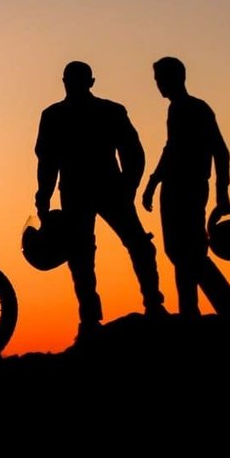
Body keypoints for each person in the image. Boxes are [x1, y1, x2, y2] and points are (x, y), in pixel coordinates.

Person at [34, 61, 167, 339]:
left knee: (131, 246)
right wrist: (43, 197)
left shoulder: (99, 112)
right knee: (86, 254)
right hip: (87, 190)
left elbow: (132, 152)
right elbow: (47, 161)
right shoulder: (65, 114)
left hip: (103, 189)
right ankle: (94, 318)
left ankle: (145, 306)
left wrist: (128, 187)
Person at [142, 56, 230, 318]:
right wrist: (154, 181)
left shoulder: (197, 109)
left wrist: (222, 194)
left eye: (161, 79)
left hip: (189, 188)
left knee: (192, 252)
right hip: (173, 187)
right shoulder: (175, 109)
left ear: (177, 78)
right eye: (157, 80)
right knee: (179, 251)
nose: (159, 85)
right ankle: (190, 310)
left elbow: (221, 152)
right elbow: (171, 148)